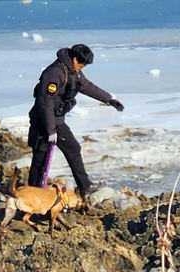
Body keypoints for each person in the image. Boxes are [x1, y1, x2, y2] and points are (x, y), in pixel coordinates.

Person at [27, 43, 124, 197]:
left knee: (73, 148)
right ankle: (34, 194)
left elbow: (86, 86)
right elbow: (45, 103)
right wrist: (50, 130)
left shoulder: (73, 71)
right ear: (74, 59)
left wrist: (109, 99)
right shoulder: (54, 73)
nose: (83, 68)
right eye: (82, 64)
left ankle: (85, 187)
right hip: (42, 123)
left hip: (57, 121)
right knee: (40, 160)